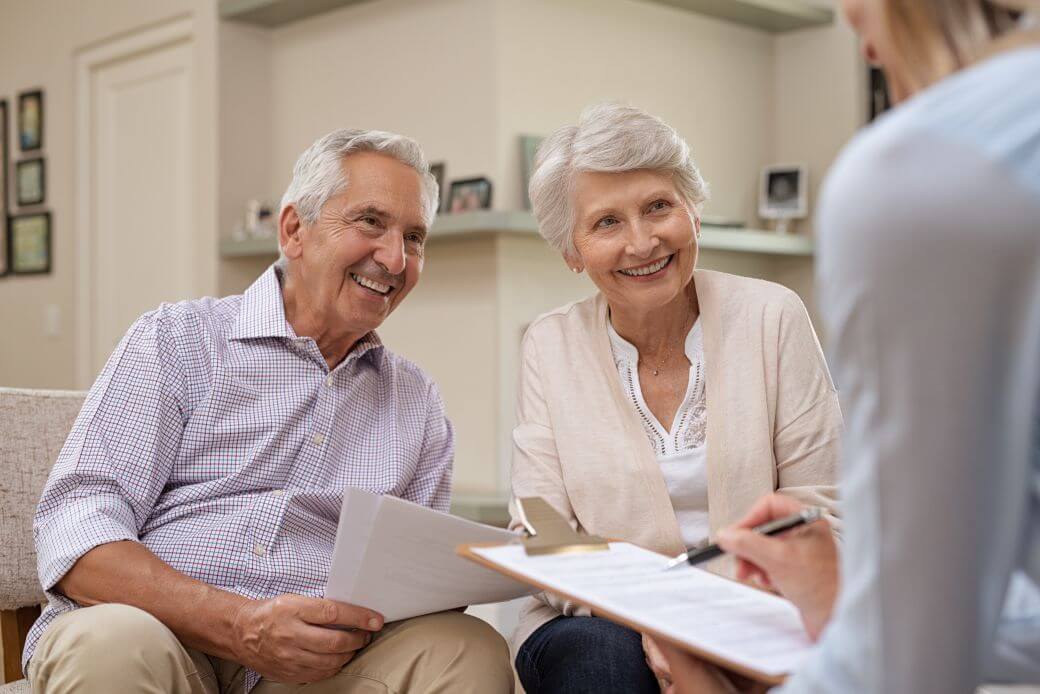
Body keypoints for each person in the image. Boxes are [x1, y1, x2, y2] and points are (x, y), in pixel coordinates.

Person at [24, 129, 514, 693]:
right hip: (161, 637)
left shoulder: (416, 401)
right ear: (293, 230)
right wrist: (238, 624)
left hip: (317, 671)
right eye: (371, 223)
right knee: (108, 645)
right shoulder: (178, 339)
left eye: (415, 237)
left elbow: (420, 596)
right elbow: (76, 533)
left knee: (467, 650)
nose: (395, 258)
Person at [659, 1, 1040, 691]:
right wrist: (855, 601)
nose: (864, 48)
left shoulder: (925, 170)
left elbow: (906, 664)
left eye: (858, 18)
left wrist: (876, 611)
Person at [509, 103, 843, 694]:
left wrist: (710, 624)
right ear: (572, 250)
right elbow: (543, 533)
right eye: (607, 222)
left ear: (693, 210)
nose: (643, 241)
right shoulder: (549, 343)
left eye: (659, 206)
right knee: (604, 662)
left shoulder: (772, 316)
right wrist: (651, 620)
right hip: (597, 622)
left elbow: (821, 509)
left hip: (755, 610)